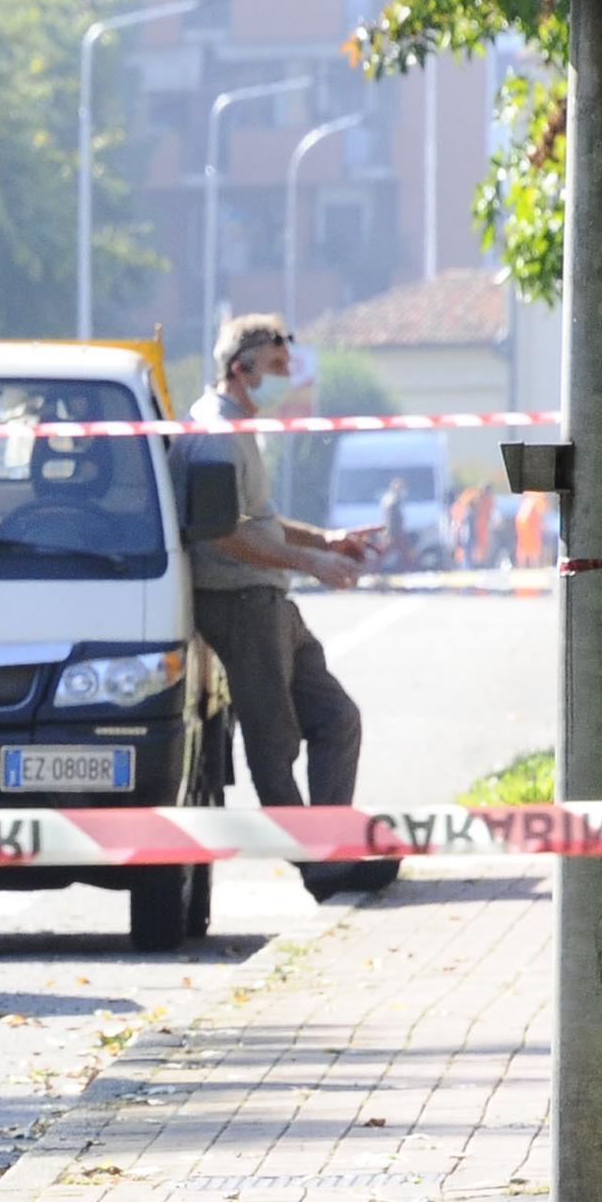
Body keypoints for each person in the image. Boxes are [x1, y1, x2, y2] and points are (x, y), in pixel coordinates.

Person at [180, 312, 389, 901]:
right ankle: (320, 870)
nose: (287, 379)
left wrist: (324, 541)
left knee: (336, 718)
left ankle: (329, 845)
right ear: (241, 370)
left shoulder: (239, 426)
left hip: (266, 596)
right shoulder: (214, 434)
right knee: (274, 745)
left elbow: (258, 522)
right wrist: (312, 564)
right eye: (277, 368)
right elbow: (220, 533)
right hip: (239, 602)